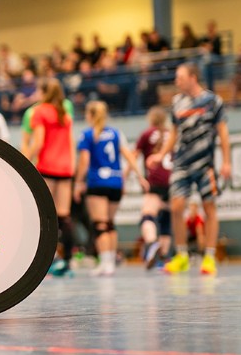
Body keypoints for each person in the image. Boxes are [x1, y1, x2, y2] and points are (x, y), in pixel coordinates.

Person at [150, 63, 231, 276]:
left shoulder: (213, 101)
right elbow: (174, 134)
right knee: (176, 207)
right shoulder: (177, 102)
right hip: (182, 164)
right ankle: (182, 256)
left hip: (205, 165)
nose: (176, 81)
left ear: (193, 77)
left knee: (209, 208)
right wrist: (161, 155)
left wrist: (227, 162)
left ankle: (209, 258)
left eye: (180, 77)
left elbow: (222, 132)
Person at [74, 101, 143, 277]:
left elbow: (84, 161)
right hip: (115, 183)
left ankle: (105, 263)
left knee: (100, 224)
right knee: (110, 224)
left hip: (97, 182)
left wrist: (79, 181)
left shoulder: (88, 135)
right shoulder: (116, 133)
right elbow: (129, 155)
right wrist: (140, 176)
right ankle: (110, 262)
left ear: (90, 115)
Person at [23, 80, 77, 276]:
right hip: (66, 168)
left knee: (46, 215)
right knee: (64, 215)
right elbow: (71, 141)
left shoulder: (40, 111)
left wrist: (24, 160)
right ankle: (68, 261)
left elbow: (38, 142)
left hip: (47, 166)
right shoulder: (65, 111)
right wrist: (72, 165)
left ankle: (49, 260)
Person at [135, 106, 173, 269]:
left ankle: (151, 244)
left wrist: (134, 174)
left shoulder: (147, 134)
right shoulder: (172, 134)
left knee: (147, 216)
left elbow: (133, 155)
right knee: (166, 220)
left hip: (156, 181)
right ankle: (164, 258)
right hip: (173, 180)